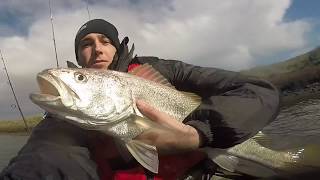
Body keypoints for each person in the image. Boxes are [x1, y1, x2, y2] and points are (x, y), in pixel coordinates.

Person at [0, 19, 280, 180]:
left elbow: (258, 90)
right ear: (79, 58)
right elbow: (44, 158)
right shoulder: (67, 115)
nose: (97, 49)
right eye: (86, 44)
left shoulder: (164, 70)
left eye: (104, 40)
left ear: (117, 46)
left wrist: (197, 134)